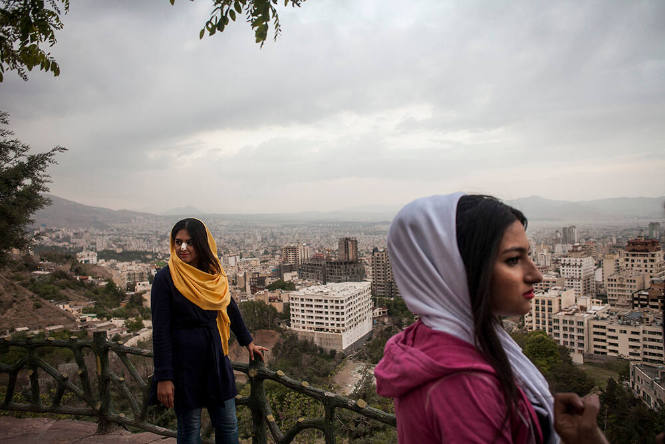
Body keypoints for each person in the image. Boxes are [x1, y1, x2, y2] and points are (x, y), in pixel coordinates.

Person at [374, 193, 555, 443]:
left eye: (528, 256)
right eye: (513, 260)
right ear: (457, 270)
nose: (536, 275)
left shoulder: (428, 340)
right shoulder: (463, 384)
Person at [151, 218, 267, 444]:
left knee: (228, 423)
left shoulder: (213, 274)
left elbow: (228, 305)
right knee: (190, 426)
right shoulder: (166, 278)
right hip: (184, 363)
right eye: (178, 242)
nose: (182, 248)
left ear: (202, 244)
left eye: (190, 242)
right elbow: (161, 331)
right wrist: (164, 377)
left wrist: (248, 342)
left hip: (215, 357)